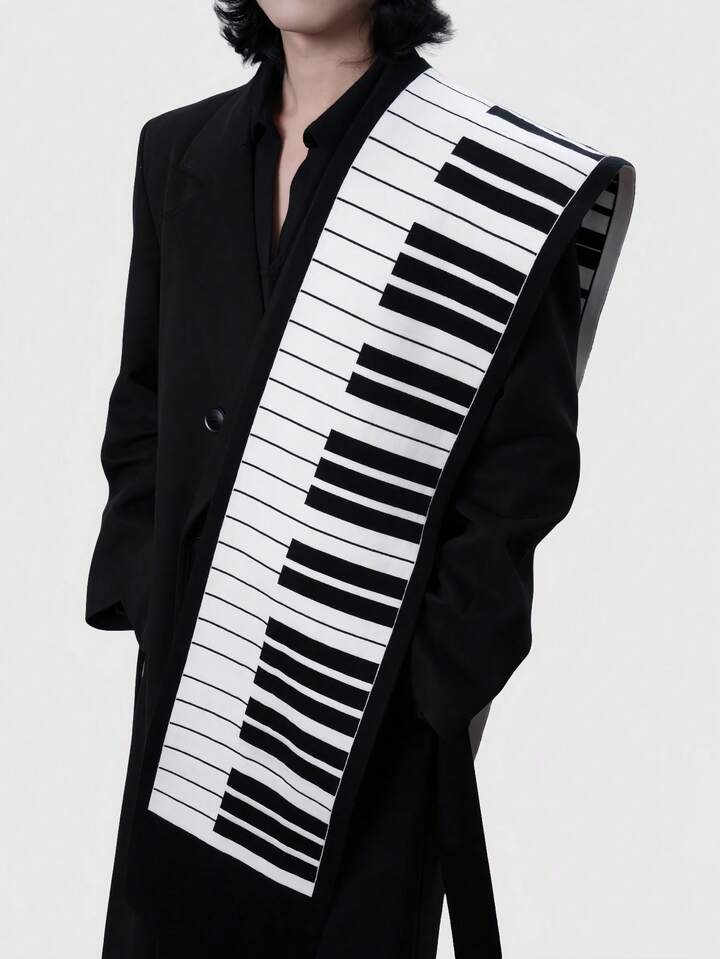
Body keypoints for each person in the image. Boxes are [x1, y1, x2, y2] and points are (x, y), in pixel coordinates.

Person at [85, 2, 636, 957]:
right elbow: (145, 403)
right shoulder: (175, 150)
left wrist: (433, 685)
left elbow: (525, 469)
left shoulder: (492, 183)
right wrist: (150, 590)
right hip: (193, 700)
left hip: (369, 719)